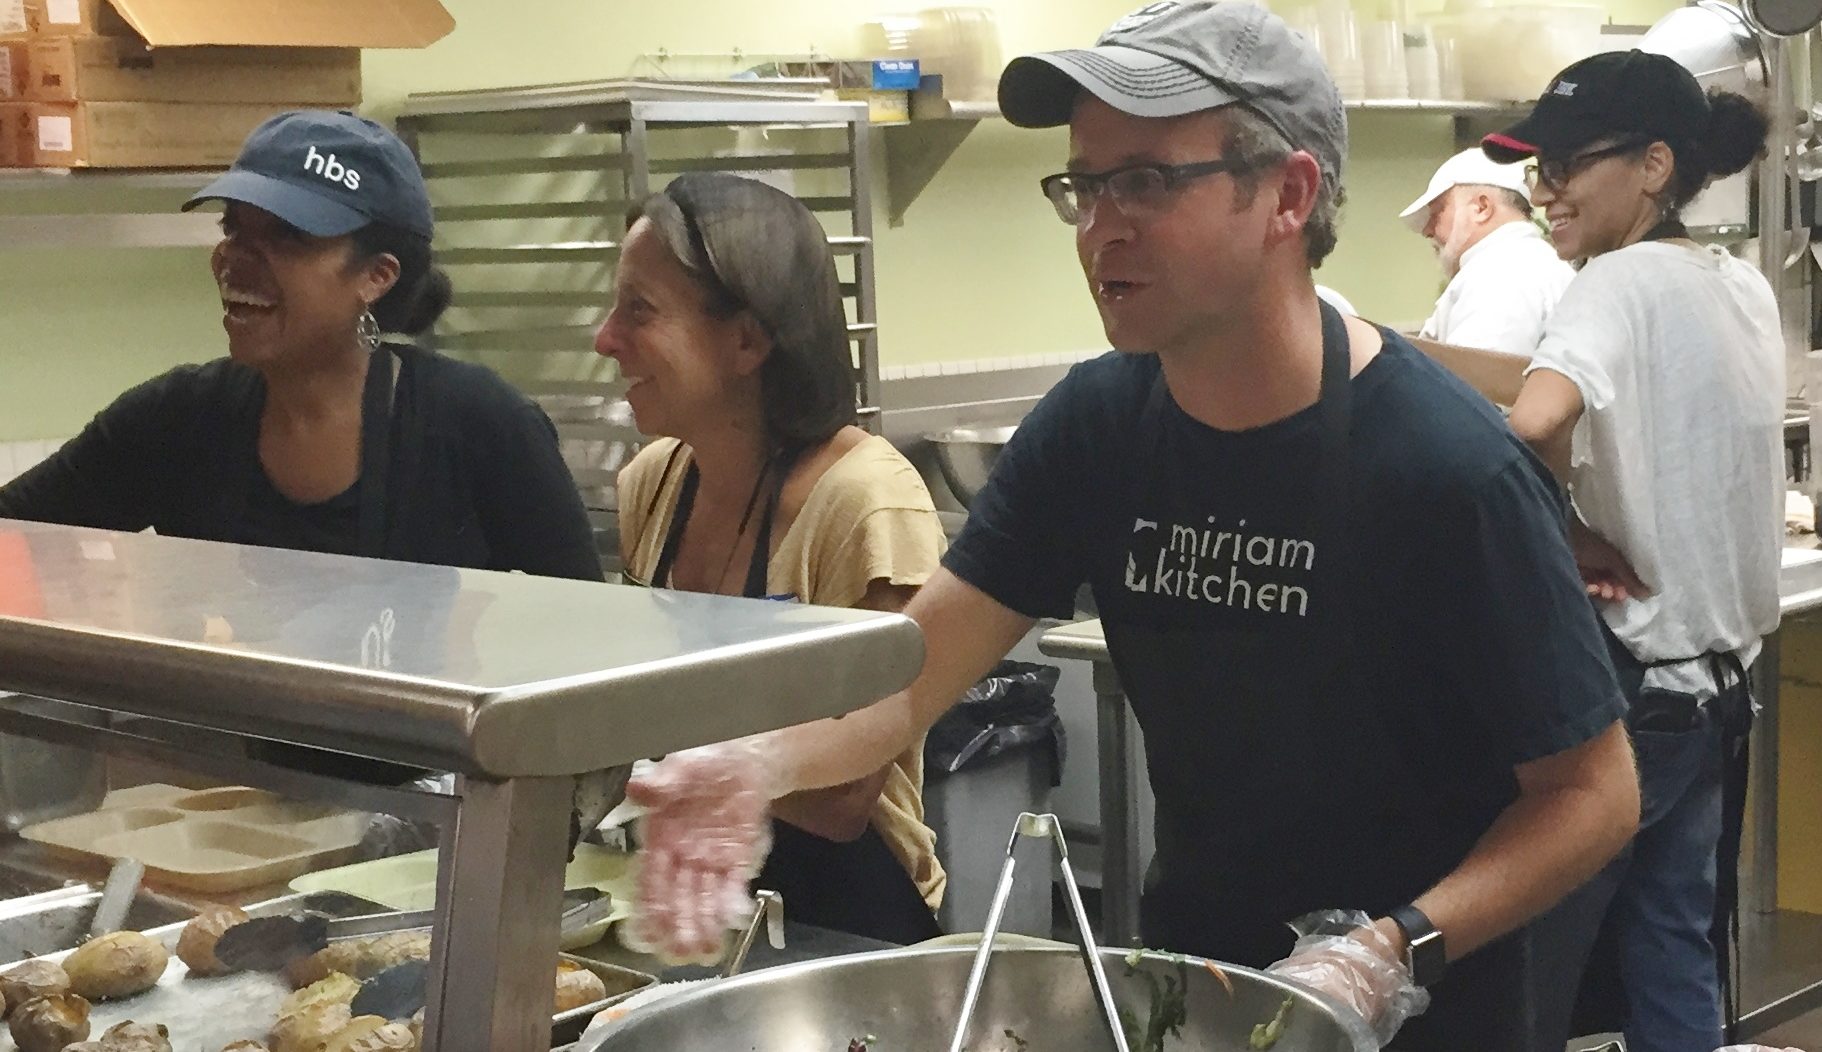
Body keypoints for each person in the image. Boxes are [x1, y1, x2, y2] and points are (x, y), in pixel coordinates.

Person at [622, 5, 1640, 1049]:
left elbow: (1593, 793)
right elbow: (912, 672)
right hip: (1191, 988)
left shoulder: (1444, 464)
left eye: (1146, 180)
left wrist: (1385, 947)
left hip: (1421, 1006)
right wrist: (756, 764)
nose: (1098, 224)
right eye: (1084, 182)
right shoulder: (1096, 428)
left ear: (1285, 194)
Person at [1425, 50, 1777, 1052]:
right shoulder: (1729, 280)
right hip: (1713, 690)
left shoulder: (1609, 283)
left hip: (1623, 702)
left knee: (1527, 964)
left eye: (1569, 164)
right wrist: (1400, 350)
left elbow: (1534, 420)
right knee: (1671, 946)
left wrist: (1562, 527)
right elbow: (1546, 377)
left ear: (1654, 164)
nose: (1545, 192)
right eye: (1536, 169)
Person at [0, 110, 601, 584]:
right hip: (224, 740)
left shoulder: (478, 427)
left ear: (377, 276)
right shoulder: (179, 420)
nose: (236, 259)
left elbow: (590, 643)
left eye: (286, 237)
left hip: (431, 742)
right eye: (233, 228)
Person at [599, 172, 948, 945]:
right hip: (699, 899)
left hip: (851, 926)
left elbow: (842, 798)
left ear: (748, 340)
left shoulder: (862, 501)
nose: (605, 338)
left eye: (639, 310)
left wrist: (658, 754)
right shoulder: (653, 485)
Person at [1401, 148, 1574, 356]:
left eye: (1437, 213)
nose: (1428, 231)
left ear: (1481, 208)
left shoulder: (1499, 273)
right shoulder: (1536, 263)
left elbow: (1477, 381)